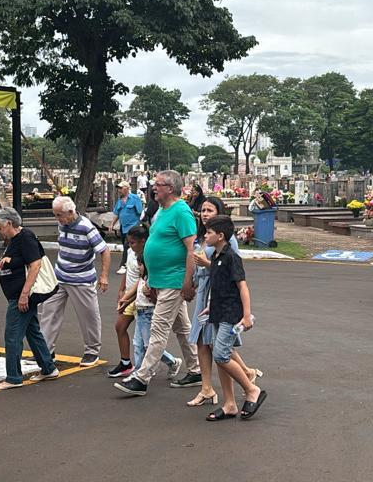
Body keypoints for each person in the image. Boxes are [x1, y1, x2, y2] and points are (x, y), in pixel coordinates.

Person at [114, 169, 202, 396]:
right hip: (160, 280)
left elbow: (191, 249)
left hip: (174, 280)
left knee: (158, 329)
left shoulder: (181, 212)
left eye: (158, 184)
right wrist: (150, 279)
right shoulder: (163, 211)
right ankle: (196, 369)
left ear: (170, 188)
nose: (154, 187)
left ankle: (142, 378)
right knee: (182, 329)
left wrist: (187, 281)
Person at [187, 196, 259, 408]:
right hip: (210, 298)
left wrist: (246, 314)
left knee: (219, 349)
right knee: (205, 342)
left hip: (223, 300)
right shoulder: (207, 242)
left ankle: (246, 382)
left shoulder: (227, 247)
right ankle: (216, 393)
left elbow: (236, 280)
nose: (205, 214)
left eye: (210, 210)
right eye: (203, 210)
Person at [201, 215, 266, 421]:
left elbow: (242, 286)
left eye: (209, 232)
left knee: (221, 354)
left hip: (231, 313)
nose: (205, 235)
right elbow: (220, 285)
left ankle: (251, 389)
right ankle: (229, 404)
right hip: (218, 311)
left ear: (220, 236)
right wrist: (211, 306)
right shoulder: (215, 257)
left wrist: (246, 315)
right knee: (219, 355)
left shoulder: (231, 257)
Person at [37, 196, 109, 367]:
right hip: (60, 275)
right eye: (55, 215)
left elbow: (104, 250)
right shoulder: (62, 223)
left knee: (88, 316)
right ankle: (46, 352)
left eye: (59, 215)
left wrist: (104, 276)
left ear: (71, 212)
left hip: (81, 279)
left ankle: (92, 351)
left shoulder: (86, 227)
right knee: (49, 313)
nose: (58, 219)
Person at [0, 207, 59, 390]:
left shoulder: (25, 237)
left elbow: (35, 265)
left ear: (8, 223)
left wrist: (24, 294)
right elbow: (19, 261)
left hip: (22, 296)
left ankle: (13, 377)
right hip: (18, 294)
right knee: (32, 331)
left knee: (12, 336)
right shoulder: (15, 240)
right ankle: (48, 367)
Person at [109, 224, 181, 380]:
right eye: (129, 243)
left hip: (146, 307)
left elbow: (145, 283)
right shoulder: (133, 256)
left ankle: (166, 364)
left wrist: (128, 299)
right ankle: (138, 370)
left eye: (133, 242)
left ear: (143, 241)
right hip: (138, 305)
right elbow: (133, 276)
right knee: (138, 343)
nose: (130, 246)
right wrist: (125, 296)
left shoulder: (149, 258)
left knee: (149, 345)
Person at [110, 179, 144, 274]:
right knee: (128, 246)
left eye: (121, 188)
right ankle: (131, 263)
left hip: (132, 226)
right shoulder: (120, 201)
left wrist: (138, 224)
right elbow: (117, 213)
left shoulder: (134, 198)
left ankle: (123, 265)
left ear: (127, 189)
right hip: (123, 227)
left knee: (126, 245)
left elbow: (140, 212)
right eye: (119, 188)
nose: (119, 190)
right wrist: (112, 224)